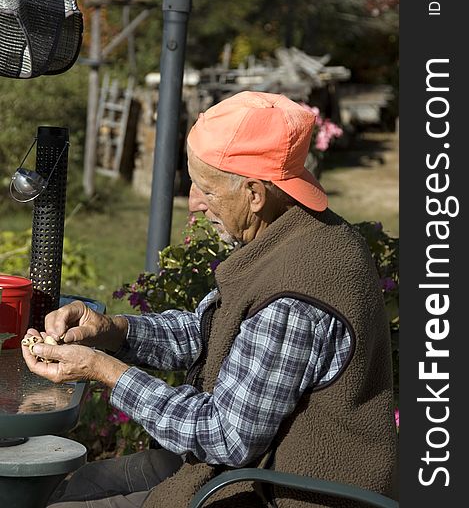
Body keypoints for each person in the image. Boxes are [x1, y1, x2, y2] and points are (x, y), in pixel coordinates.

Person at [22, 91, 398, 508]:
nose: (195, 205)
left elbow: (224, 437)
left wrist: (105, 371)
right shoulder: (295, 230)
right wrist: (111, 330)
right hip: (246, 467)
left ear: (255, 194)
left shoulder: (297, 294)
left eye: (206, 190)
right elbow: (208, 332)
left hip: (277, 490)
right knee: (81, 482)